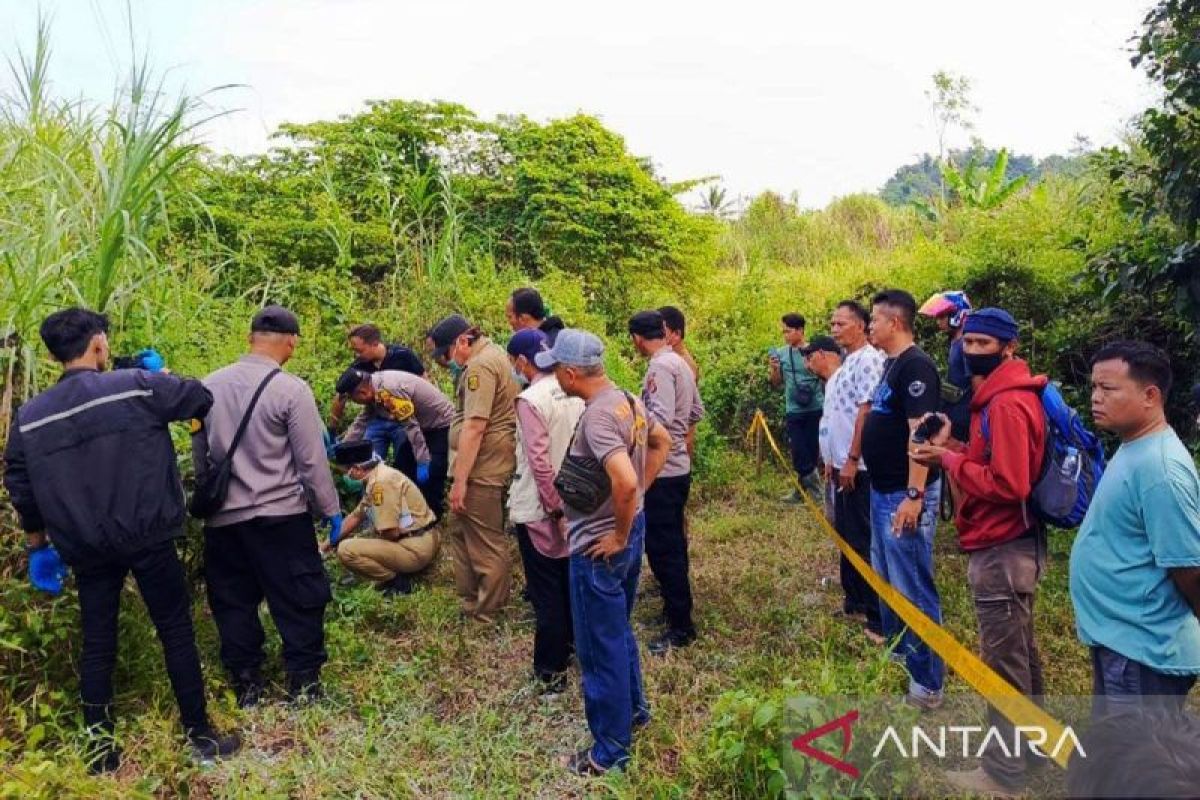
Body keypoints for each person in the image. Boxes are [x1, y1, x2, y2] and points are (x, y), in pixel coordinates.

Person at [3, 308, 240, 772]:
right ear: (96, 344)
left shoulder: (29, 417)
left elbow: (21, 483)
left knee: (97, 642)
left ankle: (100, 753)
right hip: (148, 534)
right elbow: (199, 398)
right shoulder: (135, 386)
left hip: (86, 546)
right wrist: (159, 372)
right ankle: (200, 736)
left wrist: (38, 547)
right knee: (175, 631)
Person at [909, 308, 1048, 796]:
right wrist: (958, 448)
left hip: (1001, 546)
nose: (971, 354)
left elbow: (1010, 484)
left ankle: (1002, 773)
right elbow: (993, 461)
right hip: (1012, 543)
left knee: (1003, 664)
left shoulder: (1007, 403)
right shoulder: (999, 396)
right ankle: (1032, 748)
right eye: (967, 344)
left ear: (1007, 348)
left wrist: (946, 459)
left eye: (983, 346)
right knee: (1022, 655)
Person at [533, 329, 672, 775]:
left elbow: (625, 480)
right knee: (618, 631)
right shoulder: (627, 400)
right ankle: (633, 712)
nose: (555, 374)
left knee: (599, 643)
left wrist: (616, 530)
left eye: (557, 367)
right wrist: (634, 511)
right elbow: (661, 442)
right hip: (629, 532)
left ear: (572, 373)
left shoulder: (596, 416)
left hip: (599, 546)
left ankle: (610, 752)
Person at [193, 305, 342, 707]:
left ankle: (247, 683)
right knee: (298, 597)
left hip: (224, 521)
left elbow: (201, 459)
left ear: (250, 337)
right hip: (280, 517)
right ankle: (303, 683)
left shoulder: (208, 387)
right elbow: (311, 462)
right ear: (291, 341)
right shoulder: (291, 390)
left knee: (233, 601)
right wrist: (330, 511)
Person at [1069, 341, 1200, 718]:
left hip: (1142, 652)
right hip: (1120, 641)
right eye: (1094, 387)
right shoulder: (1134, 446)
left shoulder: (1159, 468)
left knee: (1142, 767)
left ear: (1150, 395)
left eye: (1108, 389)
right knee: (1121, 760)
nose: (1096, 398)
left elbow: (1188, 567)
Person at [862, 289, 945, 710]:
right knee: (889, 579)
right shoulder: (891, 365)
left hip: (903, 494)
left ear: (894, 322)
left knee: (912, 585)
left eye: (874, 320)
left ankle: (927, 682)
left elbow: (922, 434)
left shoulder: (916, 366)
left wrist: (914, 496)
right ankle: (901, 655)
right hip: (883, 490)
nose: (869, 326)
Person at [506, 328, 585, 693]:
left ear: (522, 362)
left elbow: (539, 462)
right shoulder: (575, 390)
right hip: (579, 501)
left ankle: (550, 672)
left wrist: (555, 509)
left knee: (546, 592)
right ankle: (574, 651)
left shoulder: (531, 399)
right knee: (572, 584)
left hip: (543, 507)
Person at [428, 313, 520, 623]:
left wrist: (461, 481)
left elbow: (475, 427)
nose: (446, 362)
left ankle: (488, 614)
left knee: (485, 541)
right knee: (462, 532)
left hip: (483, 468)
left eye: (445, 355)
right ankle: (470, 602)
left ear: (462, 342)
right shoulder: (490, 356)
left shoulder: (480, 366)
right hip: (476, 465)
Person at [629, 310, 706, 654]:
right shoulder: (680, 363)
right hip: (679, 466)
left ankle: (681, 626)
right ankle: (676, 611)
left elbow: (656, 424)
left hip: (663, 470)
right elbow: (694, 414)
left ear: (637, 338)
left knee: (664, 548)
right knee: (672, 542)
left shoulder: (660, 367)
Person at [813, 305, 887, 643]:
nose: (835, 328)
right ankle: (855, 600)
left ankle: (877, 616)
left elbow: (866, 410)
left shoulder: (869, 359)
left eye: (840, 323)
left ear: (859, 326)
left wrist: (853, 458)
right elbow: (835, 417)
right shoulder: (845, 366)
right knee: (847, 536)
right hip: (841, 466)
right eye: (832, 323)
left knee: (862, 538)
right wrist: (831, 458)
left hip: (860, 468)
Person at [325, 440, 439, 596]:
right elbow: (356, 515)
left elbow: (391, 533)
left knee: (346, 550)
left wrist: (367, 539)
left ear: (357, 469)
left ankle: (396, 582)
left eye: (346, 472)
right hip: (423, 538)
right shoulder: (378, 475)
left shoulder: (381, 484)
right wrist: (326, 544)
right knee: (359, 540)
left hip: (415, 548)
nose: (347, 476)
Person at [336, 368, 454, 519]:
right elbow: (362, 421)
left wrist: (423, 461)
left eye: (353, 399)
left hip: (441, 424)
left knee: (432, 471)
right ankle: (410, 515)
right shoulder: (374, 388)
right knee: (402, 466)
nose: (356, 403)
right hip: (423, 426)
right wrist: (342, 449)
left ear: (363, 393)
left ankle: (433, 519)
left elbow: (411, 427)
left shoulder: (390, 391)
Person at [327, 324, 425, 460]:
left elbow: (424, 383)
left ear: (374, 344)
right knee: (367, 460)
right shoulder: (360, 366)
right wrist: (332, 428)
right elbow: (341, 395)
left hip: (404, 419)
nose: (357, 355)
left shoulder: (403, 356)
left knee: (404, 460)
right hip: (377, 417)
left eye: (360, 351)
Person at [769, 313, 824, 502]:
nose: (785, 335)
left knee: (811, 451)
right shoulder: (782, 353)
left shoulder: (815, 351)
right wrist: (775, 369)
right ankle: (816, 493)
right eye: (783, 331)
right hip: (793, 409)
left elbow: (825, 376)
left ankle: (801, 493)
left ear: (800, 330)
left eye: (788, 331)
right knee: (798, 451)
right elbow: (776, 383)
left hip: (815, 407)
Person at [918, 291, 973, 441]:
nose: (938, 322)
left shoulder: (965, 344)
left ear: (957, 315)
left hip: (964, 414)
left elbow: (976, 382)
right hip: (955, 410)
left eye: (942, 316)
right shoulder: (955, 342)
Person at [658, 306, 699, 382]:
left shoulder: (687, 367)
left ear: (677, 334)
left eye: (661, 331)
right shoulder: (668, 358)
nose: (655, 335)